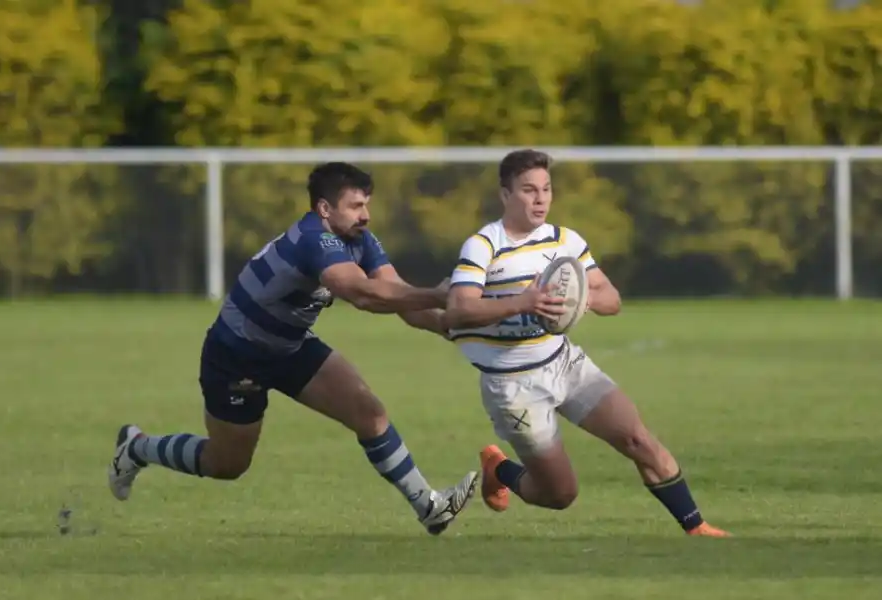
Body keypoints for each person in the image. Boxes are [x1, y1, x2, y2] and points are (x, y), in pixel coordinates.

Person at [108, 162, 478, 535]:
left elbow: (401, 298)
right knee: (227, 463)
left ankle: (429, 508)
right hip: (238, 357)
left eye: (366, 204)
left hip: (289, 347)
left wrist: (455, 325)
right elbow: (363, 295)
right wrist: (439, 294)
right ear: (324, 209)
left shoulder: (359, 240)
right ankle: (138, 448)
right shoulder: (313, 240)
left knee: (370, 413)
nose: (365, 215)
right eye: (355, 206)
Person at [443, 149, 729, 537]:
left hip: (564, 363)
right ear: (505, 195)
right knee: (560, 494)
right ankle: (500, 469)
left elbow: (612, 299)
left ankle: (697, 528)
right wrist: (524, 301)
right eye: (529, 190)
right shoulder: (483, 245)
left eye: (546, 189)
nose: (540, 198)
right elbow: (459, 310)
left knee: (637, 437)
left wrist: (583, 298)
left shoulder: (565, 240)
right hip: (513, 385)